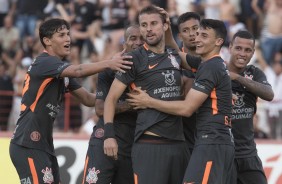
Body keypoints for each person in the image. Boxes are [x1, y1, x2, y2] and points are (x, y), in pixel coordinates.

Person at [9, 18, 132, 184]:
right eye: (61, 35)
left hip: (43, 145)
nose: (68, 38)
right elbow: (79, 70)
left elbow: (88, 99)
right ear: (47, 41)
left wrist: (121, 99)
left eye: (68, 34)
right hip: (27, 143)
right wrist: (110, 63)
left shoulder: (61, 71)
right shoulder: (44, 62)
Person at [127, 18, 235, 184]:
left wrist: (148, 101)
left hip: (212, 142)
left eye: (204, 36)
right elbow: (175, 53)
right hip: (216, 142)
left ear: (218, 41)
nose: (197, 38)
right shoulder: (209, 64)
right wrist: (166, 28)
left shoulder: (211, 66)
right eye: (197, 34)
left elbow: (186, 108)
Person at [103, 6, 189, 184]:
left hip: (179, 143)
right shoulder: (134, 59)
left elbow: (205, 64)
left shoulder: (174, 55)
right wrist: (109, 135)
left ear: (165, 26)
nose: (148, 29)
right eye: (144, 25)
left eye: (153, 23)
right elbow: (110, 99)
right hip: (150, 143)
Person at [82, 24, 143, 184]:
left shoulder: (151, 72)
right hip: (105, 139)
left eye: (142, 39)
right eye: (133, 38)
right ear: (125, 43)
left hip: (133, 146)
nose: (138, 42)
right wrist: (130, 105)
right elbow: (100, 109)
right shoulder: (109, 70)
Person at [228, 30, 273, 184]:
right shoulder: (217, 71)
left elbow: (269, 94)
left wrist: (238, 78)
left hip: (248, 155)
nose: (242, 53)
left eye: (248, 50)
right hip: (224, 155)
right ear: (230, 48)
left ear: (253, 53)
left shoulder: (254, 73)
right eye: (238, 48)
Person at [177, 11, 201, 154]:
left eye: (195, 28)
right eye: (186, 30)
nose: (192, 34)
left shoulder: (214, 61)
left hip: (207, 138)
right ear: (180, 36)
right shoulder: (173, 62)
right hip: (181, 138)